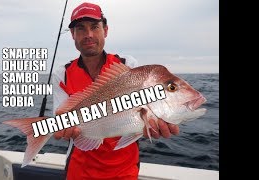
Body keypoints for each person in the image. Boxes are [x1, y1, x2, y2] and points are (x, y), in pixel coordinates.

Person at [52, 2, 179, 180]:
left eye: (95, 27)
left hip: (124, 169)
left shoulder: (127, 65)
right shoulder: (62, 74)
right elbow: (62, 120)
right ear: (72, 34)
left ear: (106, 30)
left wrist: (152, 123)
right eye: (81, 29)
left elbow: (141, 112)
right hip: (80, 167)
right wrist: (61, 128)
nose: (88, 35)